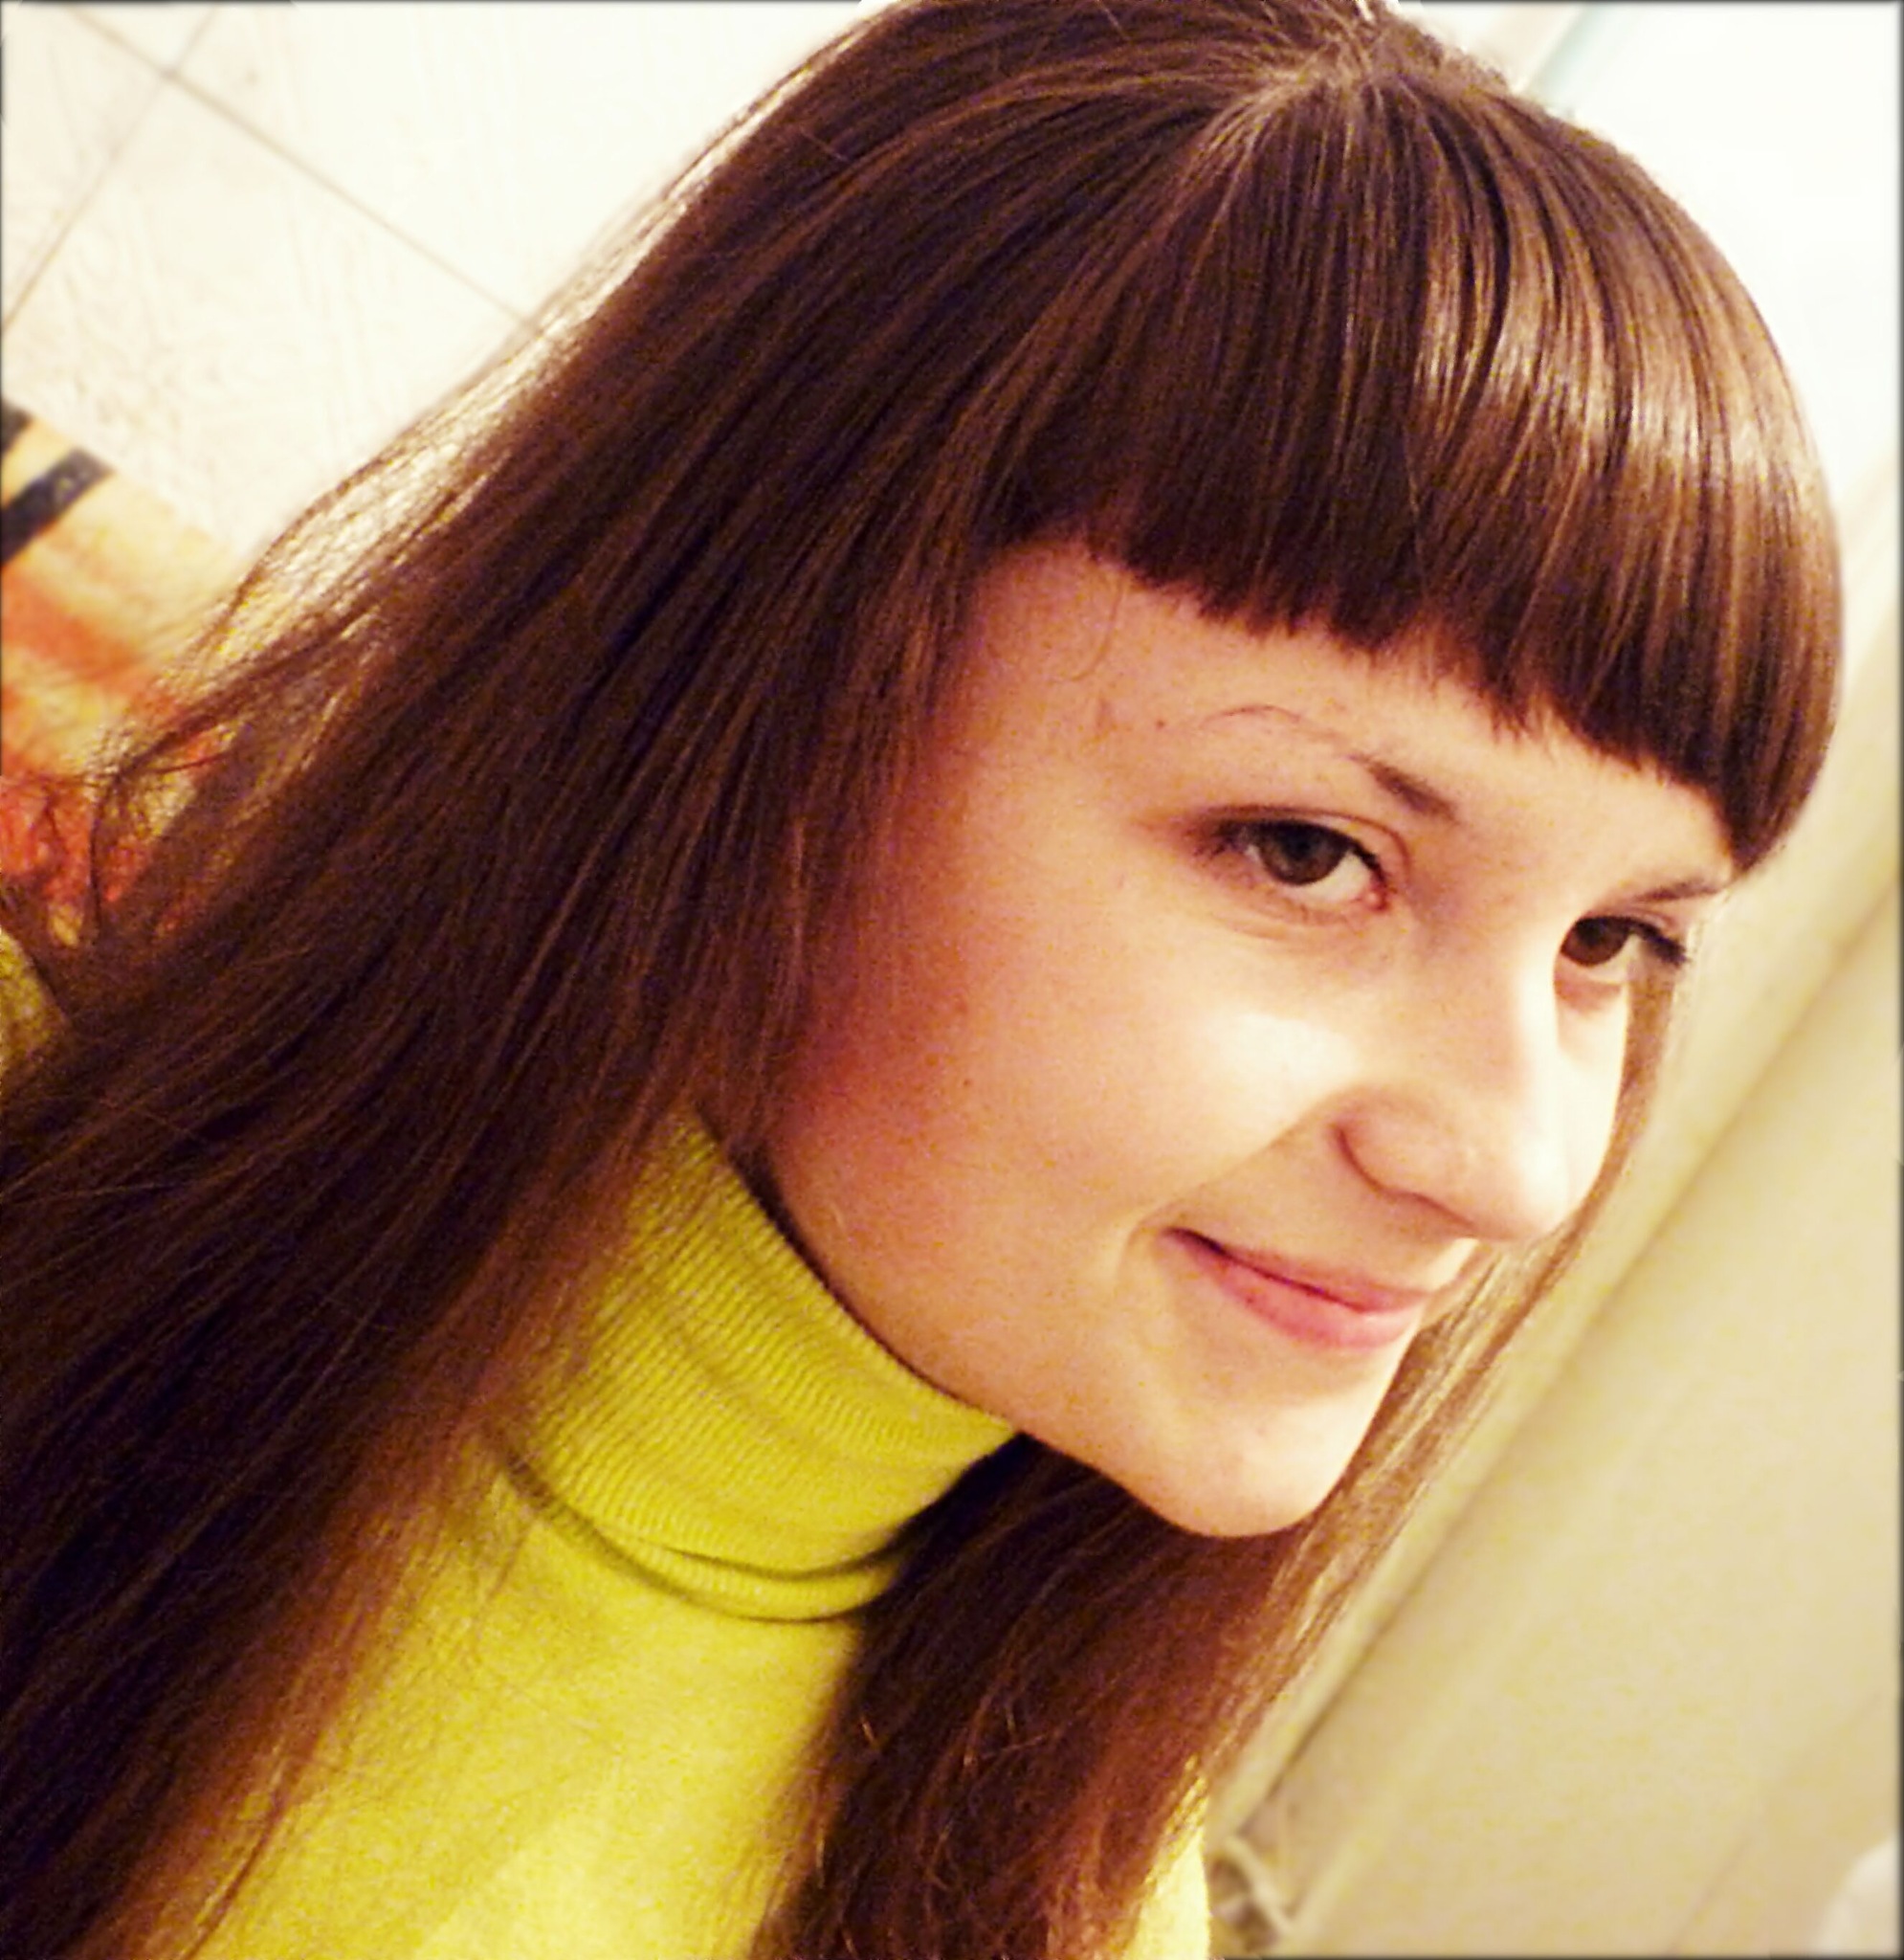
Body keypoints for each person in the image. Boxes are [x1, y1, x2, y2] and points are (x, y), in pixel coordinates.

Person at [0, 1, 1840, 1956]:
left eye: (1610, 941)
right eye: (1306, 852)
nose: (1514, 1167)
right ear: (752, 721)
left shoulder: (1062, 1896)